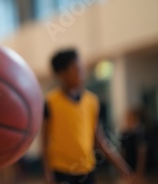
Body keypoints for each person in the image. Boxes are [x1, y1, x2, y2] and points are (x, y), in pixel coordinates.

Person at [42, 48, 132, 184]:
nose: (82, 73)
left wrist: (119, 164)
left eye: (82, 68)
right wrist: (47, 173)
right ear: (62, 73)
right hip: (61, 171)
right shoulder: (50, 102)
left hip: (87, 169)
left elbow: (99, 139)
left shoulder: (92, 101)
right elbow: (44, 142)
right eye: (77, 69)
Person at [119, 108, 147, 182]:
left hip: (136, 164)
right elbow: (123, 152)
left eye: (130, 118)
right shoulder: (125, 133)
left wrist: (139, 171)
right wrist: (122, 168)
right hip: (128, 164)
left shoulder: (139, 133)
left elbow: (142, 153)